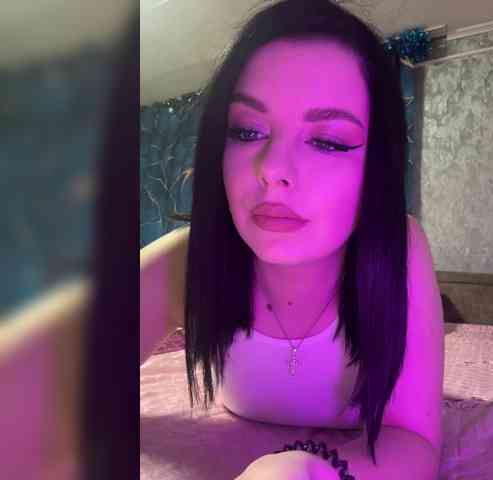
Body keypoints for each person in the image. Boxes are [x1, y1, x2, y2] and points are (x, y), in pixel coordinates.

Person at [183, 1, 444, 478]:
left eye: (328, 141)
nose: (272, 170)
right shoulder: (188, 255)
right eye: (246, 130)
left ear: (376, 169)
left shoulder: (401, 247)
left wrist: (307, 472)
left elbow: (414, 437)